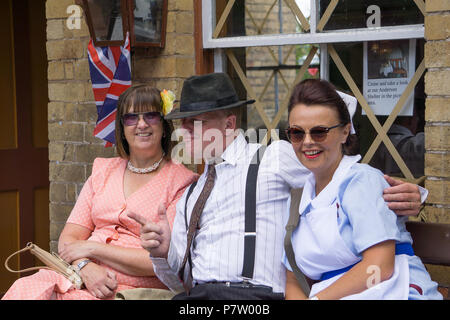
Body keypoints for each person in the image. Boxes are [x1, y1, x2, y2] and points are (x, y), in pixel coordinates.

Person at [130, 73, 426, 300]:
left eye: (198, 122)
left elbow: (336, 174)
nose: (186, 132)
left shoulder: (271, 157)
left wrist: (412, 195)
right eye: (184, 123)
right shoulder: (189, 196)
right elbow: (179, 282)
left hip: (252, 297)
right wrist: (162, 251)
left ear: (230, 123)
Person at [2, 85, 197, 300]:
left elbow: (161, 260)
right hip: (76, 275)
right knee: (25, 289)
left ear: (164, 125)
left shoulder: (182, 183)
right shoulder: (102, 171)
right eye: (131, 118)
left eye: (151, 116)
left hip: (126, 290)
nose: (141, 124)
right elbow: (69, 240)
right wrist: (85, 266)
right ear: (122, 127)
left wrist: (92, 249)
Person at [282, 79, 441, 300]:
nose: (307, 142)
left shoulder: (360, 181)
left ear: (345, 132)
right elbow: (292, 279)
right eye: (297, 133)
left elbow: (380, 267)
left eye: (319, 132)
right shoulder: (298, 199)